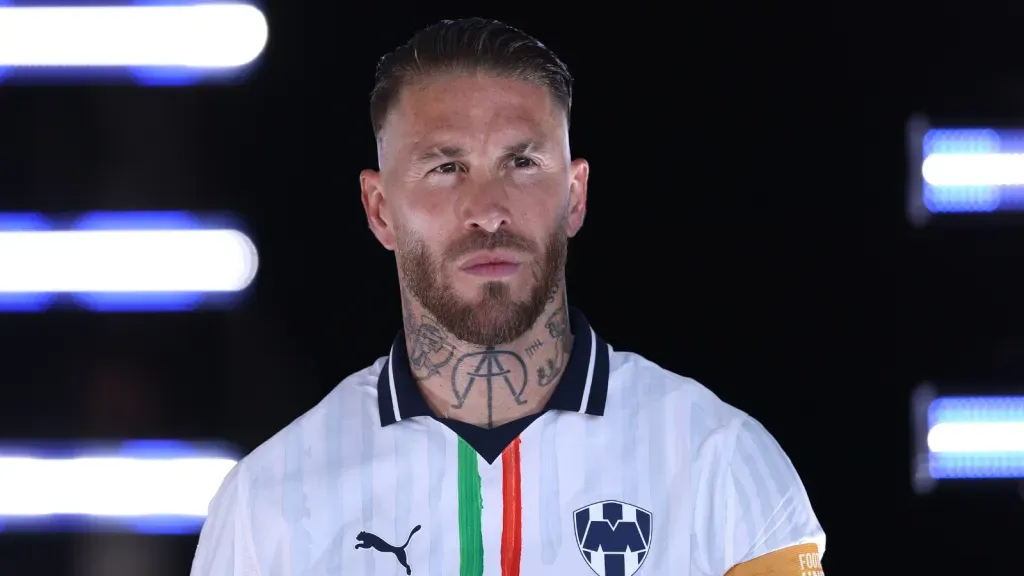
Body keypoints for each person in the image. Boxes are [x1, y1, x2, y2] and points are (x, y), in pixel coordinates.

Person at [190, 17, 826, 576]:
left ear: (574, 196)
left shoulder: (721, 464)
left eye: (522, 162)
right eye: (446, 168)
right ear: (380, 209)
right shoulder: (267, 504)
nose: (488, 211)